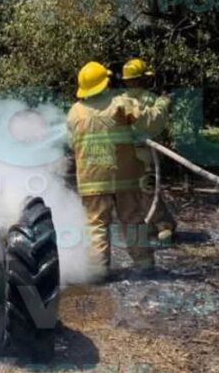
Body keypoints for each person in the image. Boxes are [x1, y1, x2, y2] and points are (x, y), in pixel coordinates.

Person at [67, 60, 168, 279]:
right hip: (124, 178)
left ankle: (98, 270)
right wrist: (162, 105)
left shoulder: (74, 112)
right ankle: (144, 264)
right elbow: (150, 123)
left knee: (95, 225)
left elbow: (70, 143)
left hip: (91, 180)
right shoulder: (120, 103)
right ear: (105, 83)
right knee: (132, 220)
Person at [118, 58, 176, 242]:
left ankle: (153, 225)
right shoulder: (150, 99)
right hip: (144, 157)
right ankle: (162, 224)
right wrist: (164, 103)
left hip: (125, 158)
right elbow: (154, 123)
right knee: (148, 191)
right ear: (142, 79)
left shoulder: (118, 100)